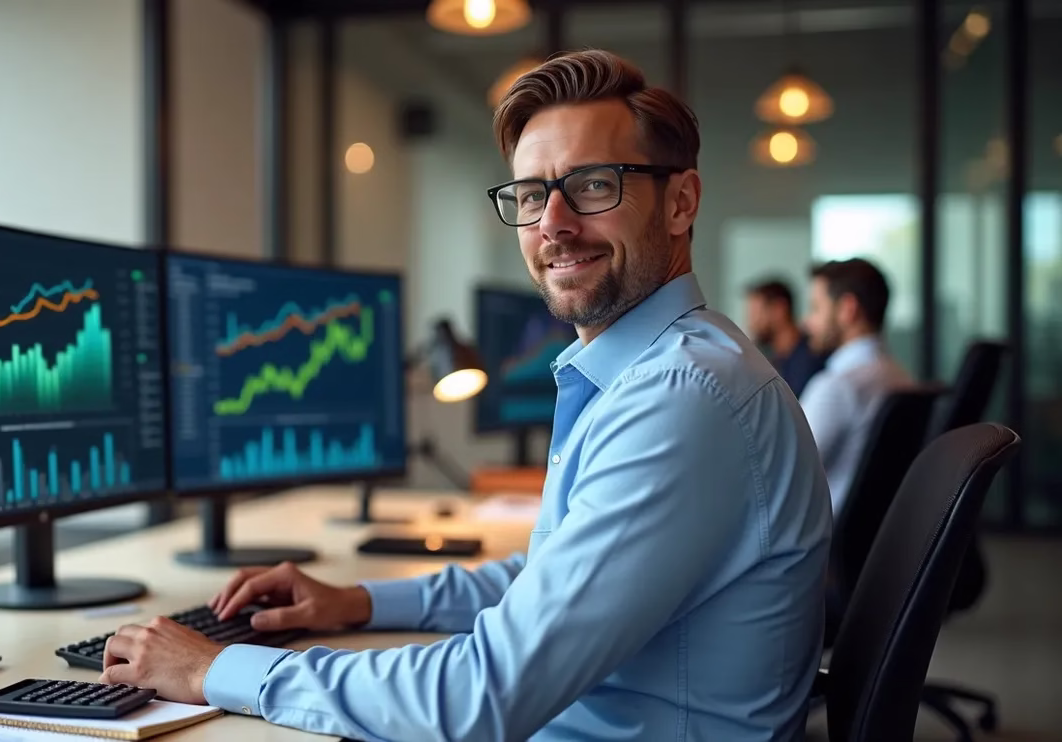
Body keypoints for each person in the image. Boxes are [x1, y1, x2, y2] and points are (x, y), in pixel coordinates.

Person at [96, 49, 833, 742]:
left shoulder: (681, 396)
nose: (553, 224)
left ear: (680, 203)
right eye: (531, 193)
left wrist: (211, 669)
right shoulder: (662, 371)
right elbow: (555, 579)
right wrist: (357, 603)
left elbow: (482, 696)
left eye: (593, 185)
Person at [799, 258, 913, 515]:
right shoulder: (901, 377)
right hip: (876, 534)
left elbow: (784, 475)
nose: (807, 322)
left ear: (848, 309)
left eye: (816, 308)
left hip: (822, 540)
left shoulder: (836, 388)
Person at [745, 278, 826, 397]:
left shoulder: (810, 358)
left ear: (779, 309)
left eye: (755, 313)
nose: (751, 324)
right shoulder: (772, 359)